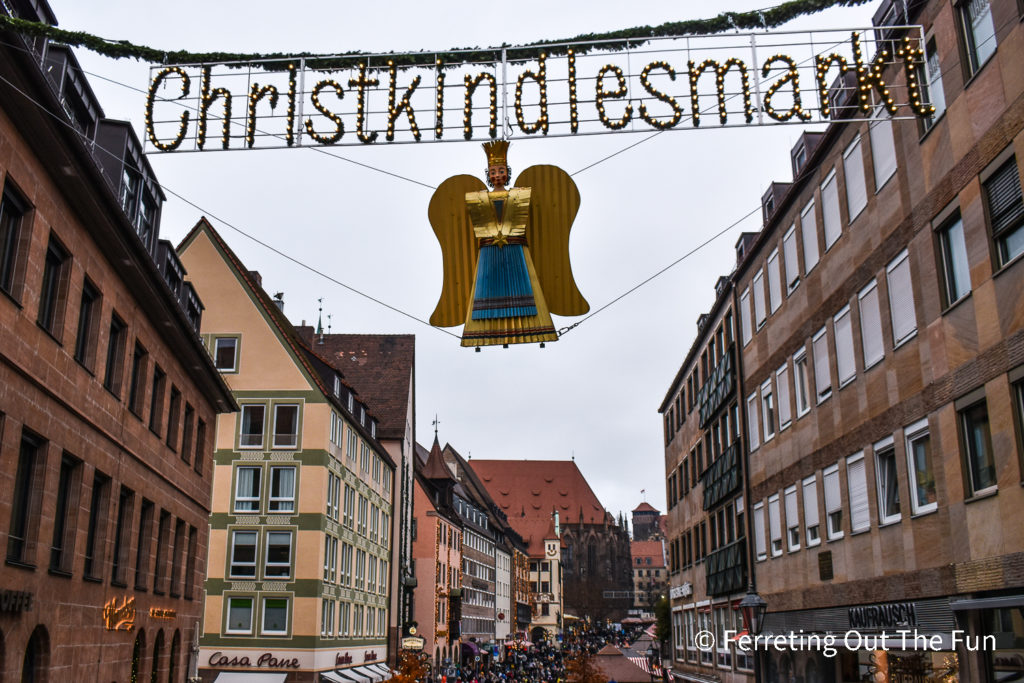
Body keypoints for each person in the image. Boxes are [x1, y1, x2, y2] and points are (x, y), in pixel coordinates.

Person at [459, 141, 558, 347]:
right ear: (489, 174)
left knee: (525, 284)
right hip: (489, 253)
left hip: (515, 248)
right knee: (485, 287)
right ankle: (481, 331)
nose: (497, 175)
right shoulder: (480, 198)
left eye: (501, 170)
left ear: (507, 173)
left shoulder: (518, 195)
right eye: (493, 171)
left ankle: (534, 327)